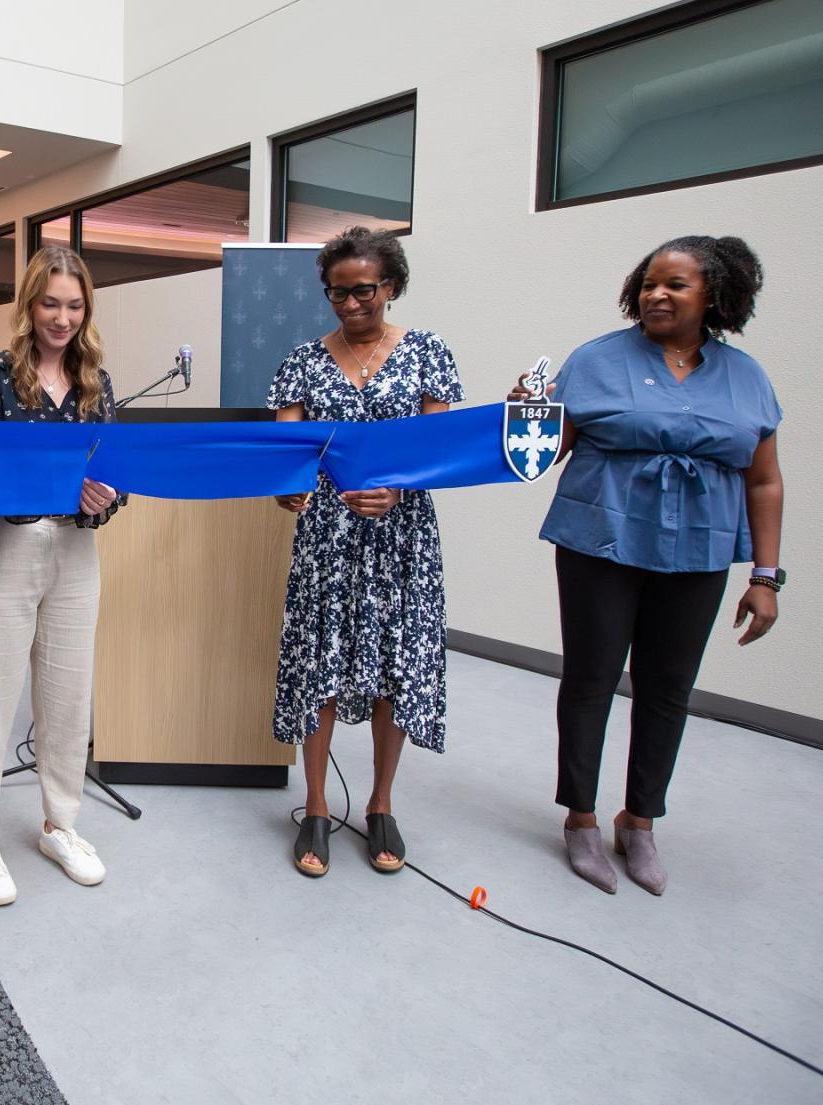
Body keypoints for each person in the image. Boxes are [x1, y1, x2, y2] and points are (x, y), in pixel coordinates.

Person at [513, 235, 782, 896]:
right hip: (599, 541)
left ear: (713, 296)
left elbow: (764, 483)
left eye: (675, 285)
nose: (656, 295)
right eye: (649, 283)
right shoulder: (597, 360)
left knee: (668, 687)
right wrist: (527, 412)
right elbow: (542, 453)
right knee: (591, 677)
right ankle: (580, 816)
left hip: (698, 551)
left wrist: (765, 577)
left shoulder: (746, 376)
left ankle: (641, 820)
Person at [269, 227, 462, 878]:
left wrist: (399, 490)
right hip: (328, 539)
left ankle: (381, 804)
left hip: (402, 540)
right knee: (320, 669)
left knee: (392, 668)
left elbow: (440, 451)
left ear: (391, 286)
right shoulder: (300, 361)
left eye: (363, 290)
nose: (349, 303)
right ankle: (317, 808)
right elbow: (287, 459)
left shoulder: (428, 352)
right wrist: (289, 494)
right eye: (336, 292)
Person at [0, 244, 121, 907]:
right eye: (50, 302)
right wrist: (44, 485)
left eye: (74, 305)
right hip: (5, 546)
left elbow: (116, 473)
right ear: (29, 304)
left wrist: (106, 495)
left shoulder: (96, 382)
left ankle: (60, 823)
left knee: (67, 700)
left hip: (76, 552)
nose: (62, 317)